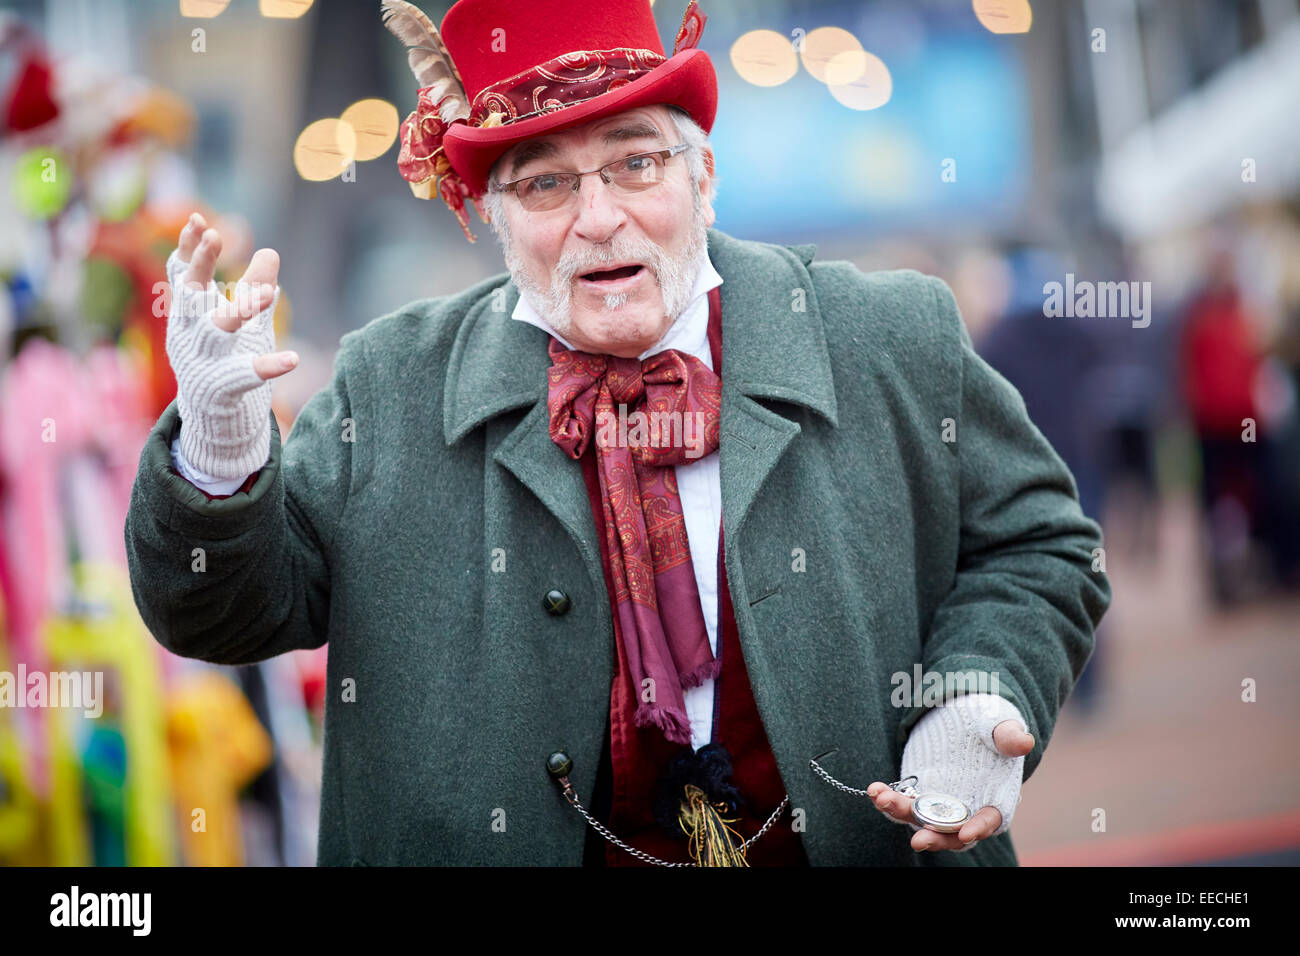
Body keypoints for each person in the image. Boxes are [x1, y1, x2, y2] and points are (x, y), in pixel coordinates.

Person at [123, 0, 1110, 866]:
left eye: (635, 162)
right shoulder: (387, 386)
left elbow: (1037, 541)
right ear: (493, 217)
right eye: (545, 184)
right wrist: (216, 438)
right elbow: (225, 616)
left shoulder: (885, 334)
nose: (598, 218)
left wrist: (973, 700)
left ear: (702, 174)